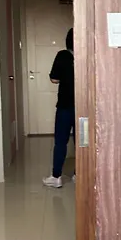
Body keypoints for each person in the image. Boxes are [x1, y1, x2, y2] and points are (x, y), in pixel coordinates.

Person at [43, 28, 75, 188]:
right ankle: (79, 174)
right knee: (82, 142)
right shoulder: (87, 54)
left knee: (61, 141)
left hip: (65, 106)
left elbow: (54, 79)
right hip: (84, 106)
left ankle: (56, 177)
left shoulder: (62, 55)